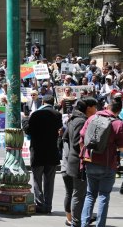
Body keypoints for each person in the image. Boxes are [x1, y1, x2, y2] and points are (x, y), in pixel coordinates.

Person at [79, 93, 123, 227]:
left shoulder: (92, 118)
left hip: (90, 161)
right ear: (119, 111)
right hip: (107, 164)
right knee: (104, 196)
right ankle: (100, 225)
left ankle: (84, 223)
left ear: (107, 107)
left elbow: (81, 139)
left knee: (90, 195)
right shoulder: (118, 124)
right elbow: (121, 148)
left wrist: (84, 157)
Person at [22, 94, 63, 214]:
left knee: (37, 179)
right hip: (51, 152)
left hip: (38, 152)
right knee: (49, 181)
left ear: (43, 102)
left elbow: (28, 130)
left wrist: (25, 118)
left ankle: (39, 204)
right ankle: (48, 205)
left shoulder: (36, 114)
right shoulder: (57, 115)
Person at [63, 97, 97, 227]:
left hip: (73, 160)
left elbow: (65, 137)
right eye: (95, 107)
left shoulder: (74, 119)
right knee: (79, 193)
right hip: (78, 162)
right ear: (89, 108)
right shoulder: (82, 121)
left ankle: (79, 219)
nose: (96, 109)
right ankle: (77, 222)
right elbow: (78, 142)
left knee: (79, 193)